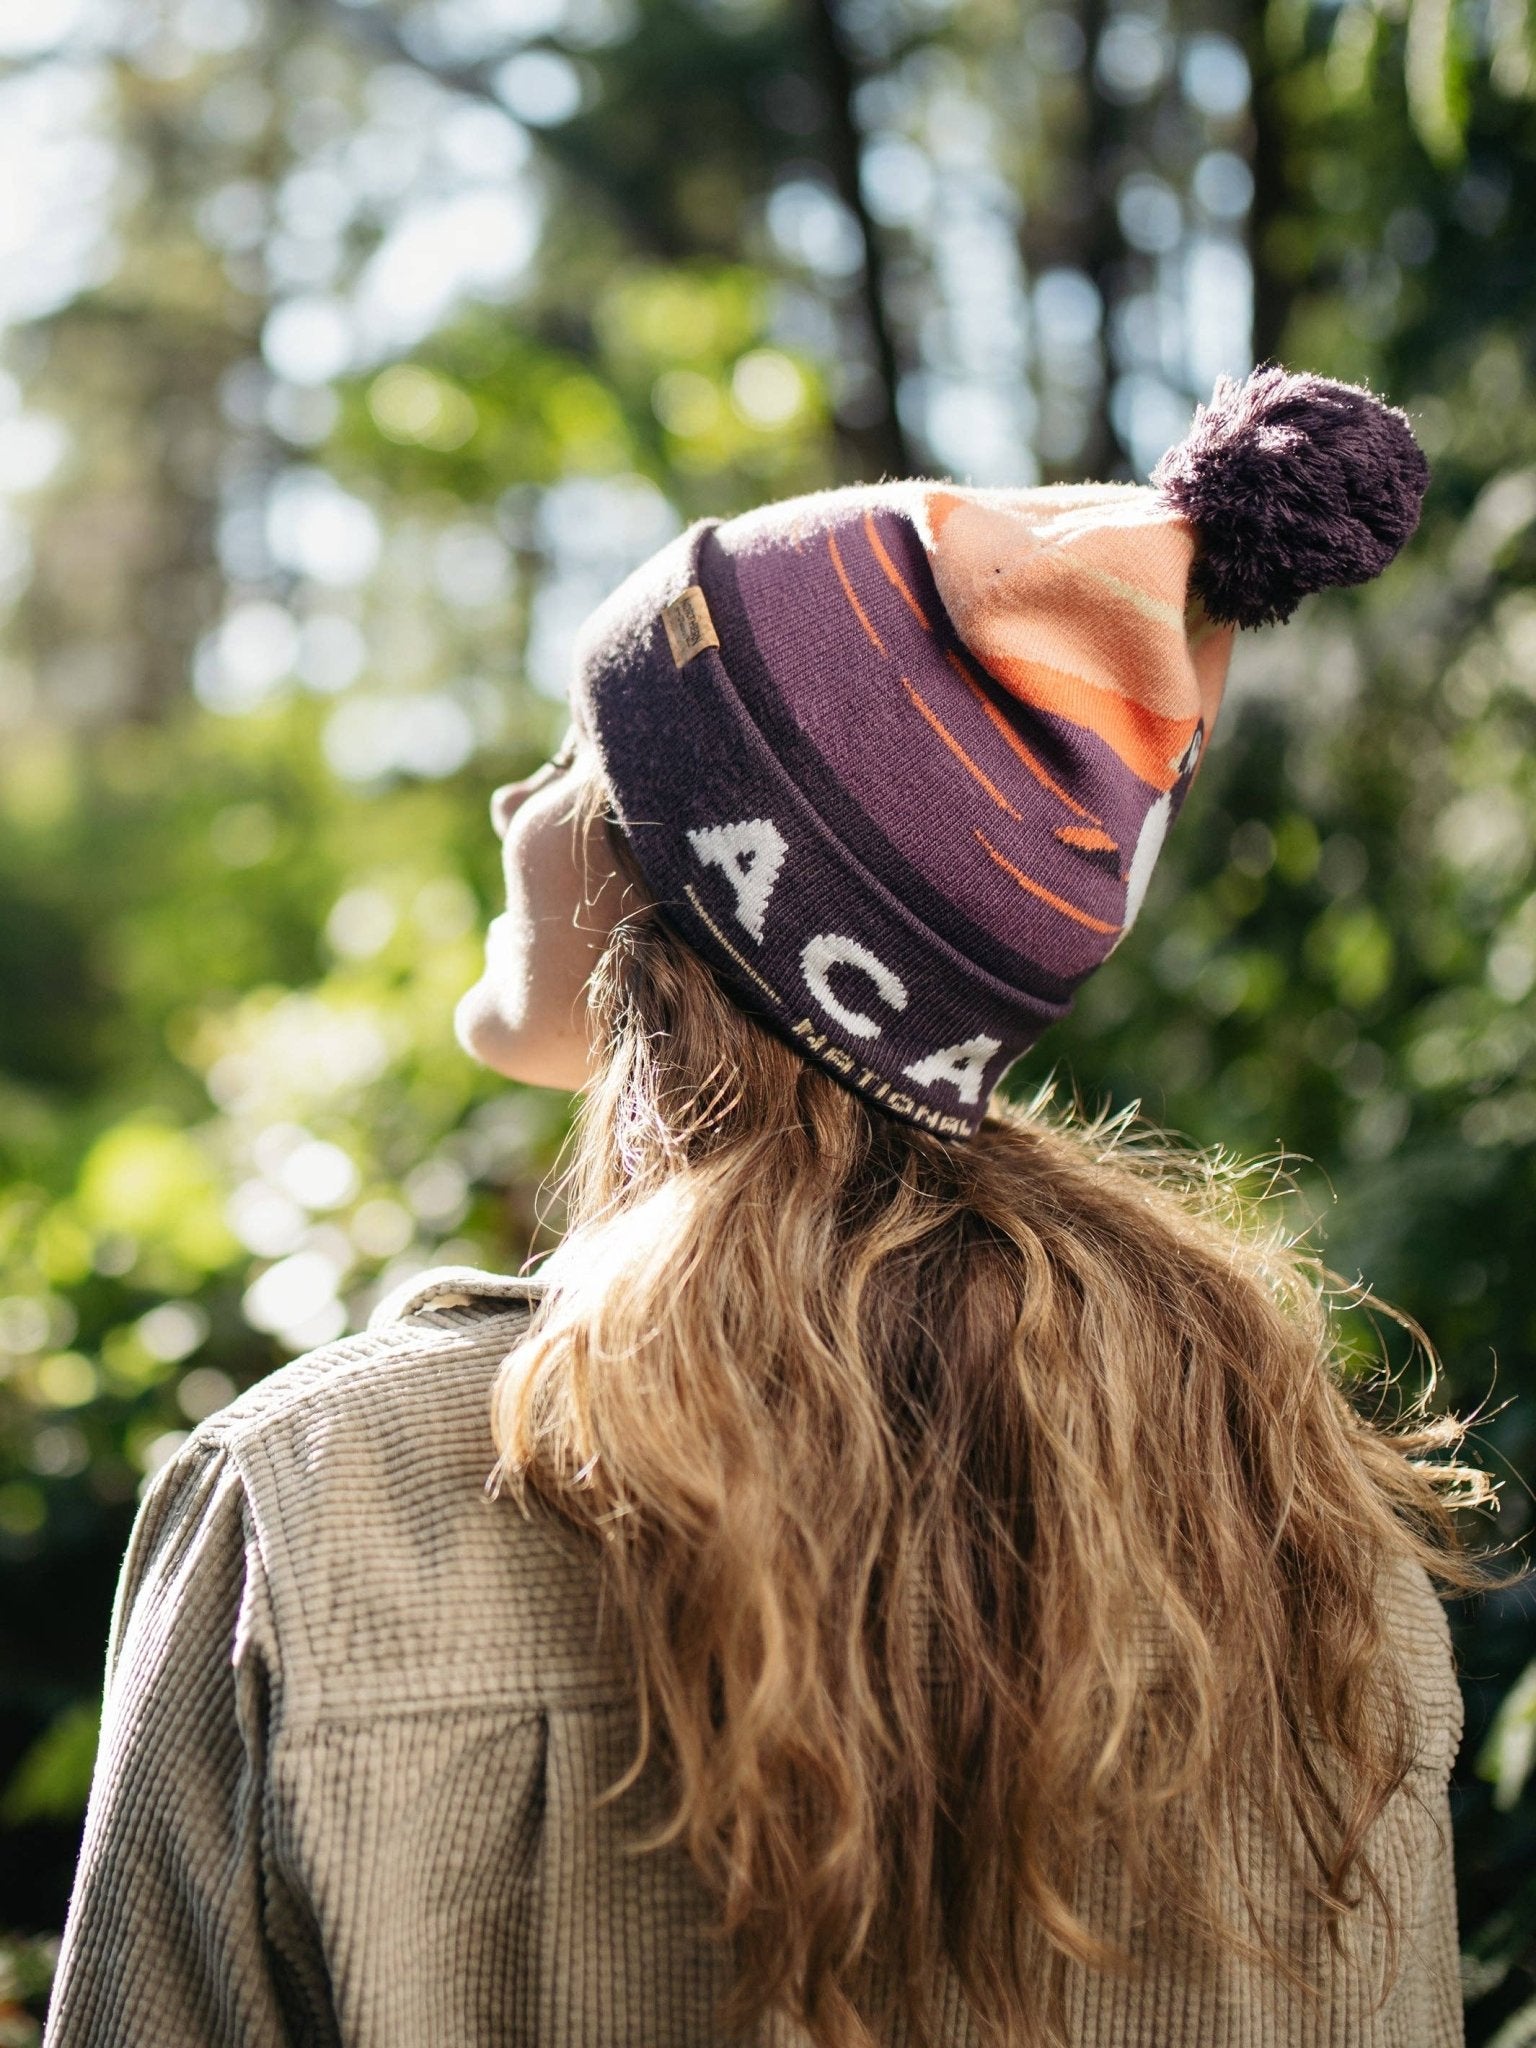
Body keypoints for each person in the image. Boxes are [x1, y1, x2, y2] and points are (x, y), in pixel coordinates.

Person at [44, 366, 1496, 2048]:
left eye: (572, 755)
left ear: (696, 885)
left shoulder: (315, 1503)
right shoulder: (1309, 1543)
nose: (515, 807)